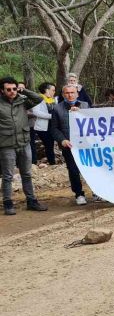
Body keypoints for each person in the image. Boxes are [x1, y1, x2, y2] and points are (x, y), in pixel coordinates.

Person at [0, 76, 48, 215]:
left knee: (26, 174)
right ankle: (8, 203)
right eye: (8, 89)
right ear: (2, 90)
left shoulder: (22, 100)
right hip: (6, 144)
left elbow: (39, 99)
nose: (12, 91)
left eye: (14, 89)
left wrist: (24, 90)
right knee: (8, 176)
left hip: (24, 142)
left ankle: (31, 201)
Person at [50, 85, 95, 205]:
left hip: (87, 145)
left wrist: (81, 112)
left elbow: (94, 122)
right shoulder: (57, 109)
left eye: (72, 92)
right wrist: (62, 140)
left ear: (77, 94)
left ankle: (97, 192)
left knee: (92, 168)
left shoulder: (85, 105)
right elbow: (54, 129)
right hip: (69, 145)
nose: (70, 95)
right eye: (67, 93)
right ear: (63, 95)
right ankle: (79, 194)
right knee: (74, 170)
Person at [28, 82, 57, 165]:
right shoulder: (38, 99)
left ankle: (52, 162)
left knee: (50, 145)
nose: (54, 92)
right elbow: (36, 112)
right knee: (48, 144)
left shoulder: (53, 99)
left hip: (53, 125)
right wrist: (51, 116)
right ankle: (52, 163)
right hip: (43, 127)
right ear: (47, 90)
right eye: (53, 90)